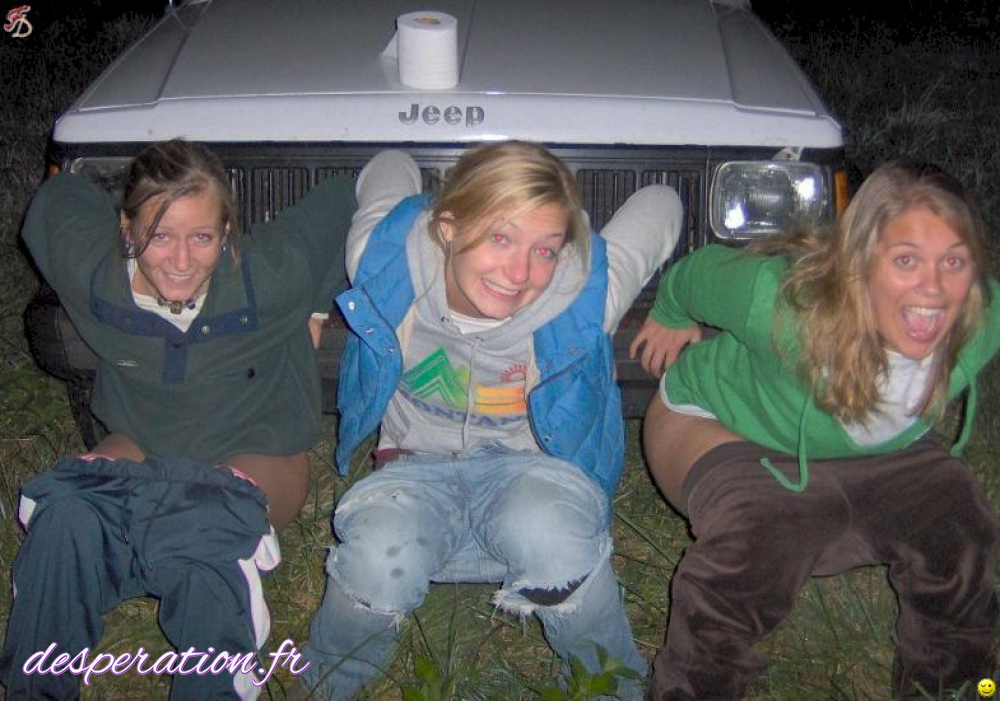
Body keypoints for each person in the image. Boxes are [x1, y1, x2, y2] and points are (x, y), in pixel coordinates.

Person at [297, 142, 683, 699]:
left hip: (532, 469)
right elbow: (388, 164)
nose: (520, 273)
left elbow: (662, 201)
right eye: (500, 237)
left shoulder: (579, 296)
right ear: (448, 227)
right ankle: (324, 684)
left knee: (553, 538)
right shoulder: (387, 266)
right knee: (377, 553)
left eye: (545, 249)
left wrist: (674, 305)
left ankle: (610, 689)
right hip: (412, 467)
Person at [630, 161, 1000, 700]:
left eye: (954, 262)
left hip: (862, 447)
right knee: (763, 534)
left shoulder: (980, 317)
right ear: (857, 262)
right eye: (906, 260)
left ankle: (953, 684)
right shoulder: (782, 303)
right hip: (719, 420)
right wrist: (671, 311)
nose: (934, 289)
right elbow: (700, 273)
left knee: (958, 519)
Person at [0, 139, 355, 699]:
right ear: (126, 229)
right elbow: (55, 199)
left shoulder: (267, 274)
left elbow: (350, 195)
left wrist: (316, 301)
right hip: (145, 443)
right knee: (67, 513)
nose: (182, 260)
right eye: (160, 235)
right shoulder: (98, 277)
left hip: (255, 446)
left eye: (203, 237)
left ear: (228, 233)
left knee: (205, 525)